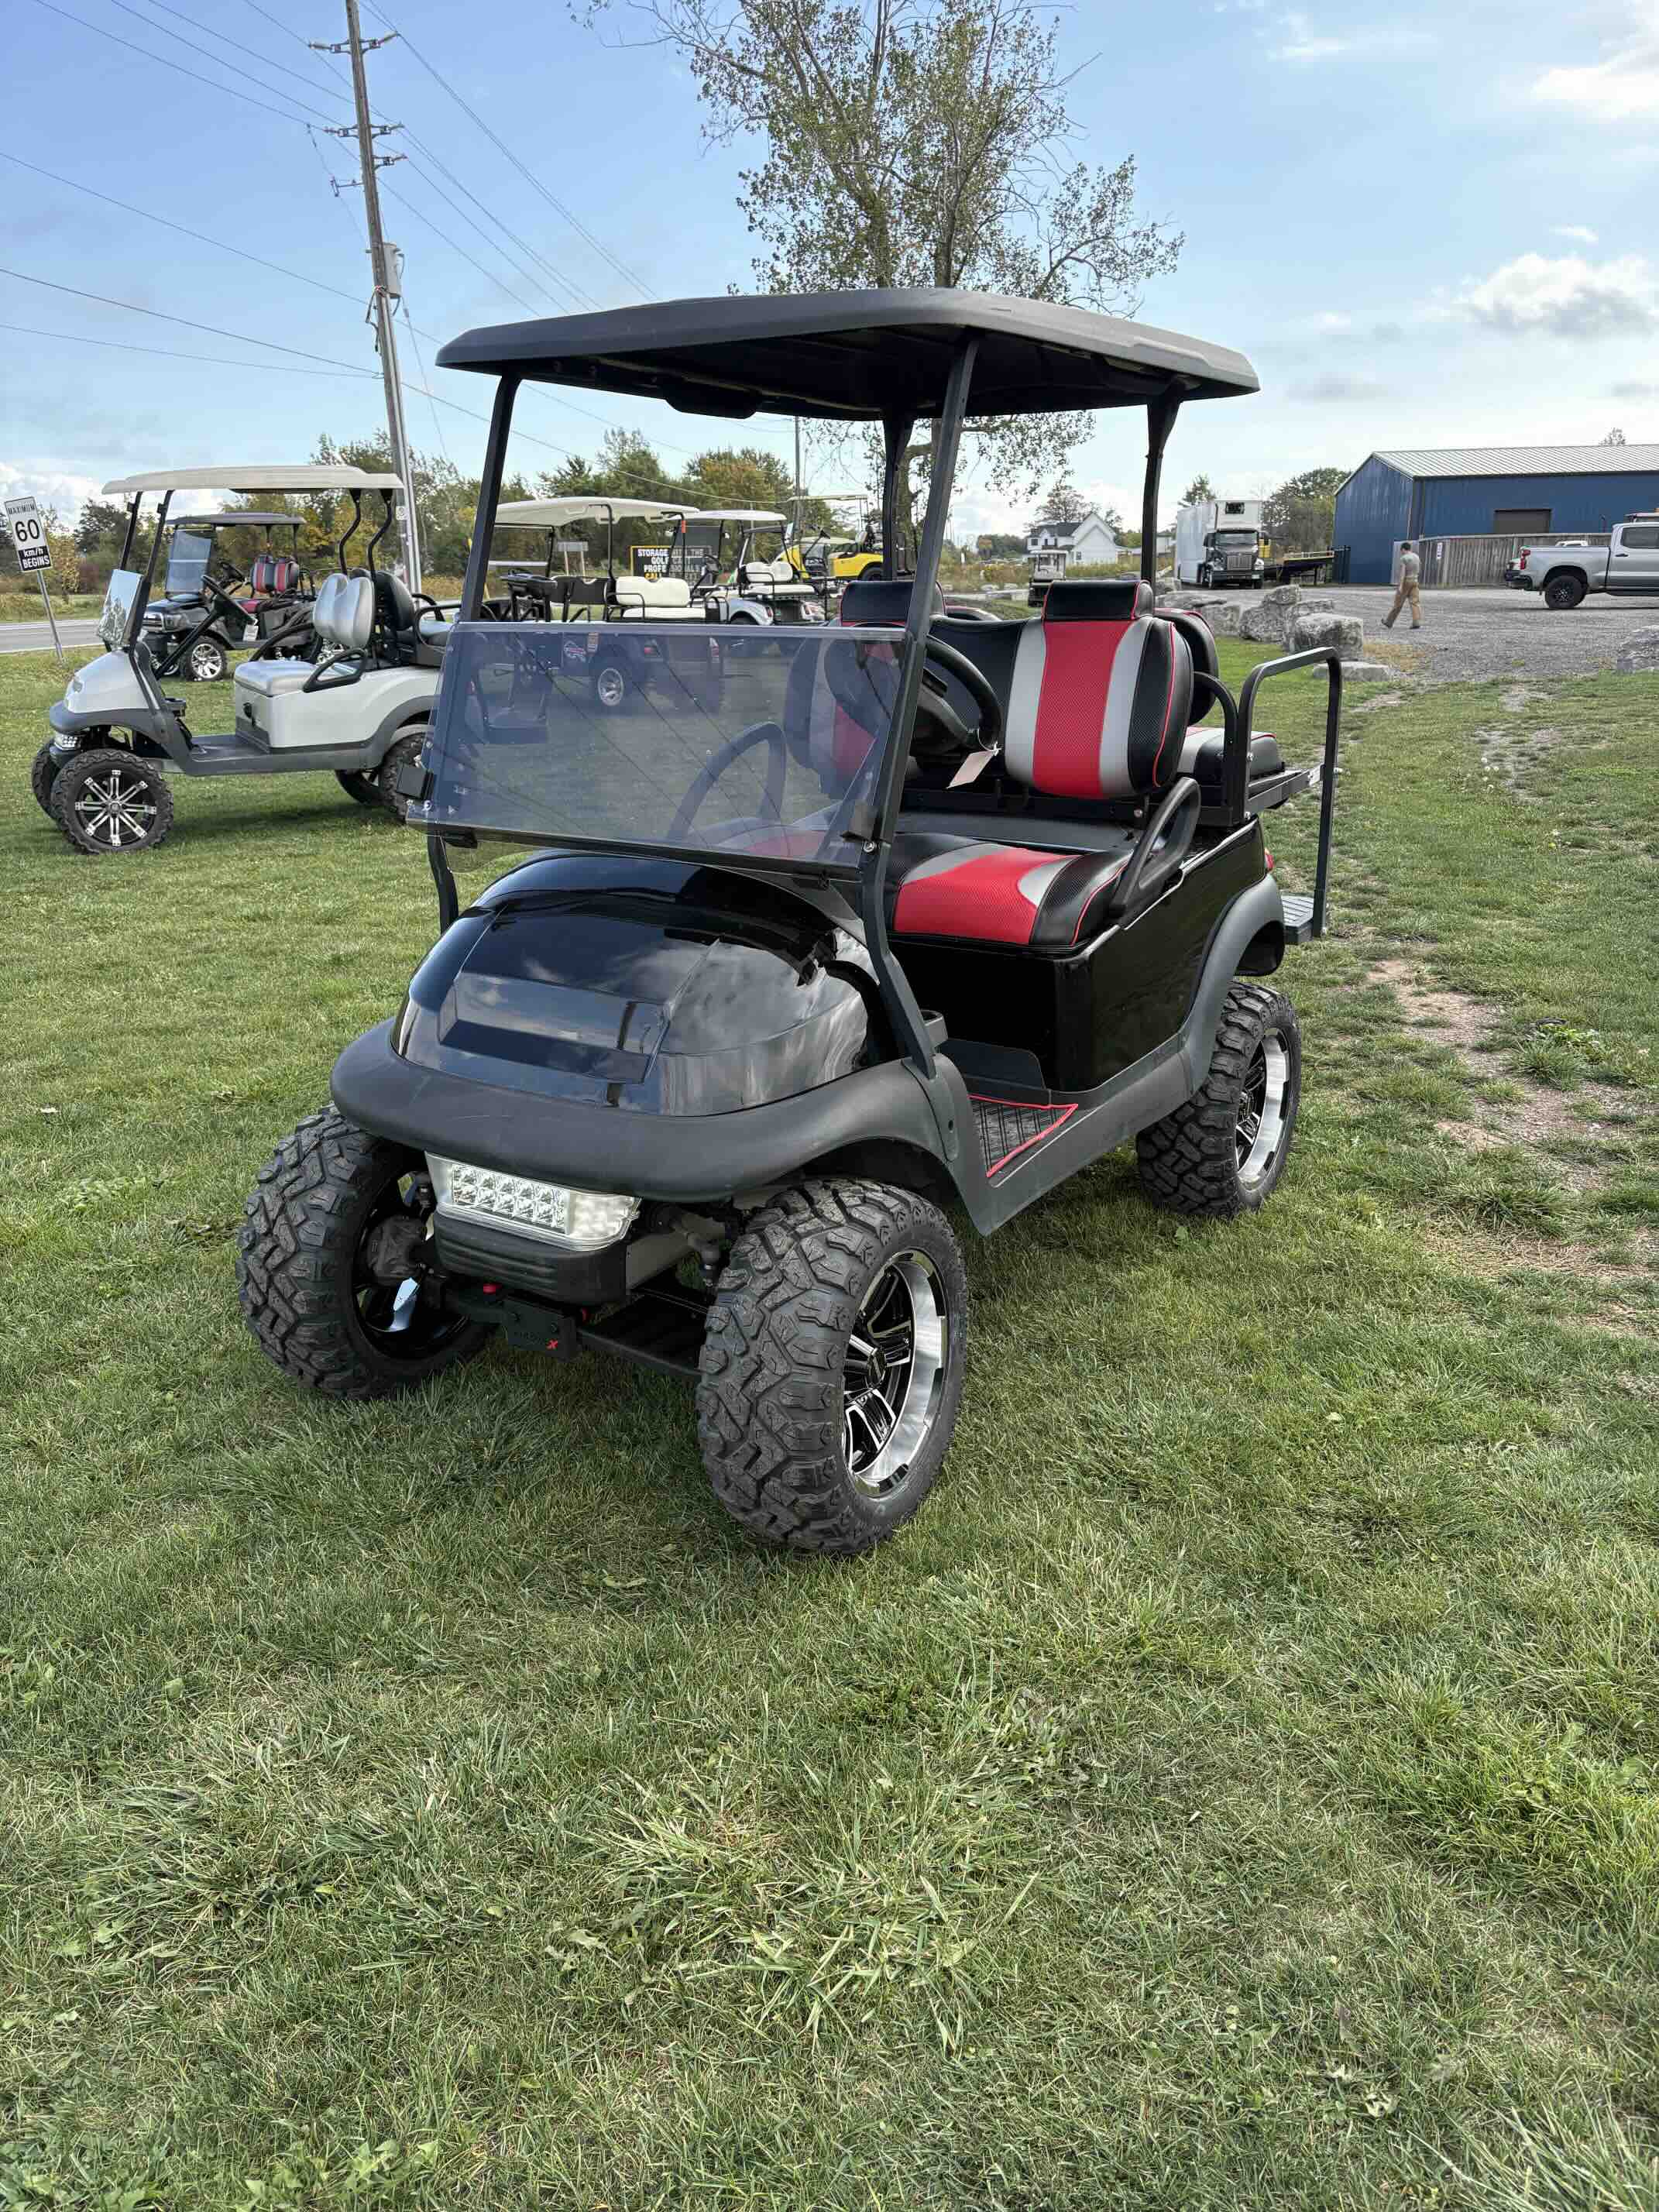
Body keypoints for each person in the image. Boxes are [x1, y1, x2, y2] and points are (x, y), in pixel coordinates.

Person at [1384, 541, 1422, 630]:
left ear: (1403, 549)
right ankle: (1416, 622)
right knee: (1415, 602)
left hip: (1406, 581)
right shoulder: (1416, 556)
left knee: (1398, 603)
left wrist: (1400, 586)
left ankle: (1389, 622)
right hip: (1415, 580)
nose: (1401, 552)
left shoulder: (1404, 558)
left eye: (1401, 551)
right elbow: (1419, 568)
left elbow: (1402, 573)